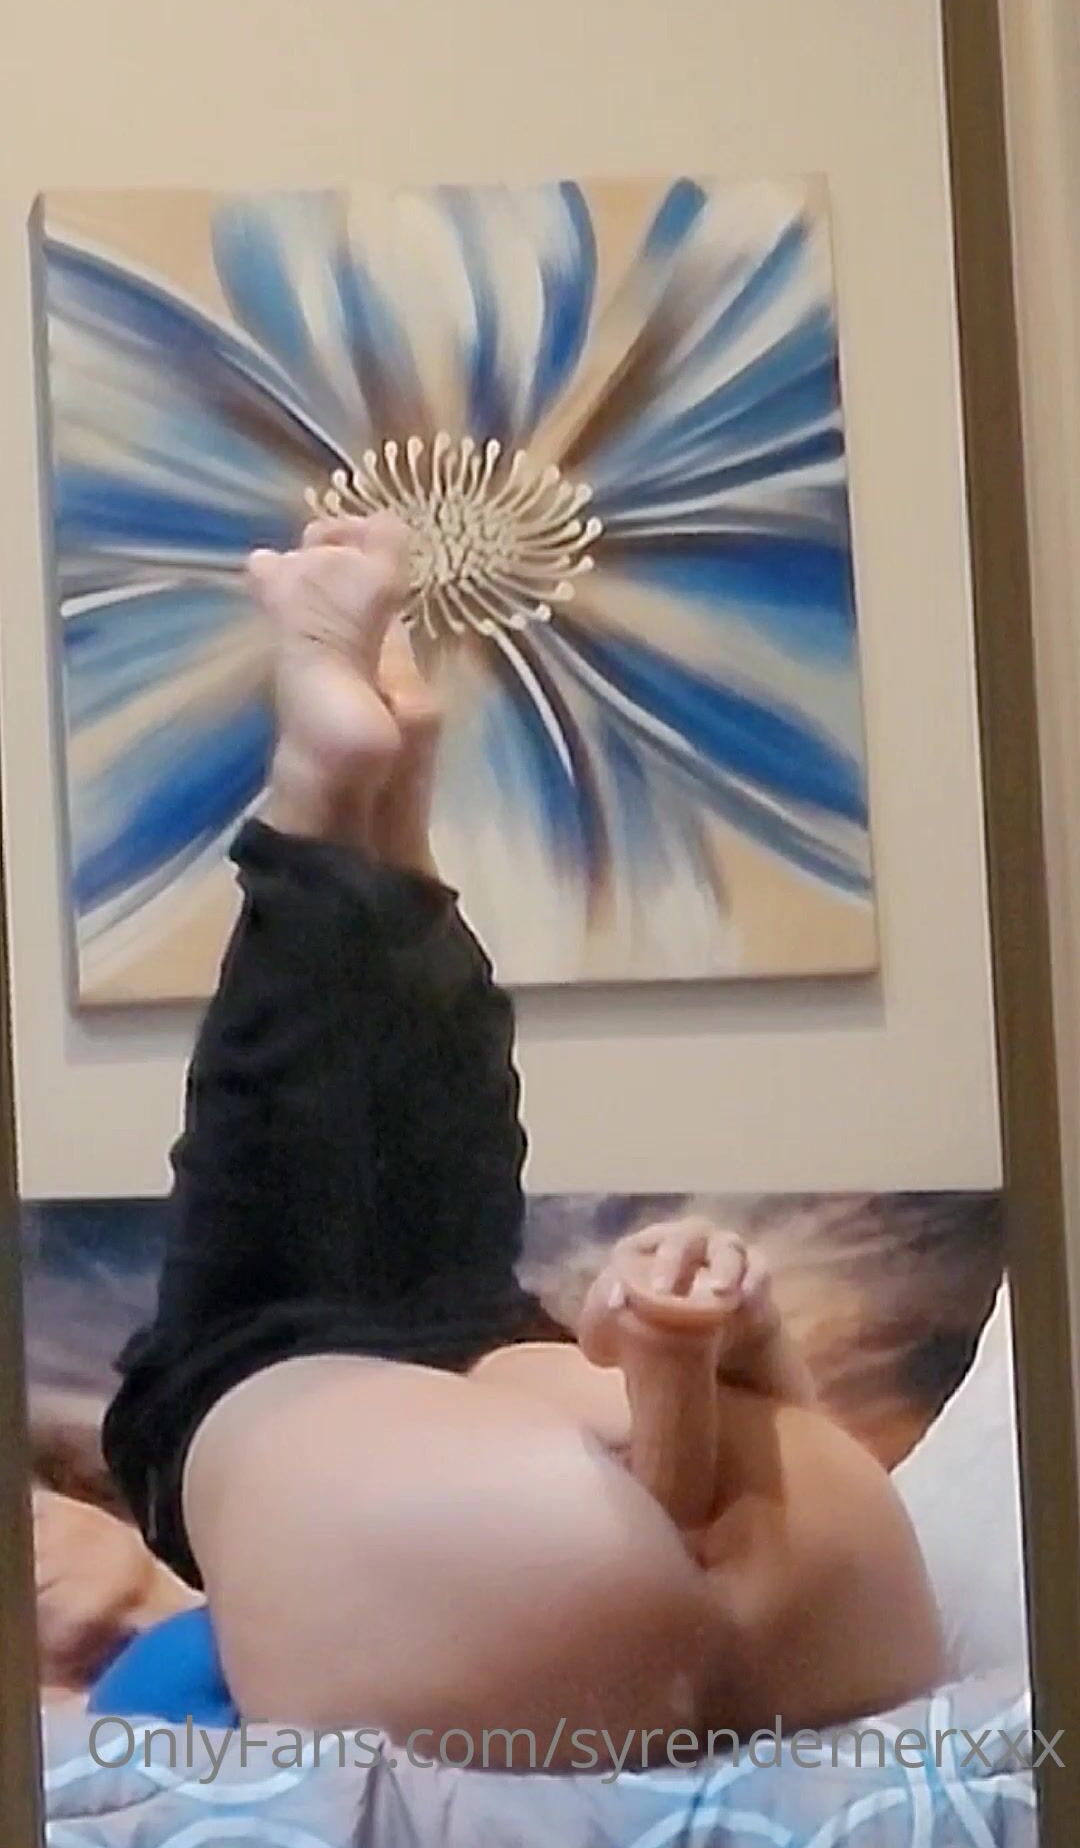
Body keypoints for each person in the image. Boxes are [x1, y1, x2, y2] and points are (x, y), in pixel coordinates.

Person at [94, 513, 942, 1759]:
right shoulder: (225, 1485)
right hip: (819, 1581)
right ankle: (348, 800)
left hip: (552, 1542)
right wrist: (739, 1354)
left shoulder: (197, 1560)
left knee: (385, 1222)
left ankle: (367, 798)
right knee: (335, 1231)